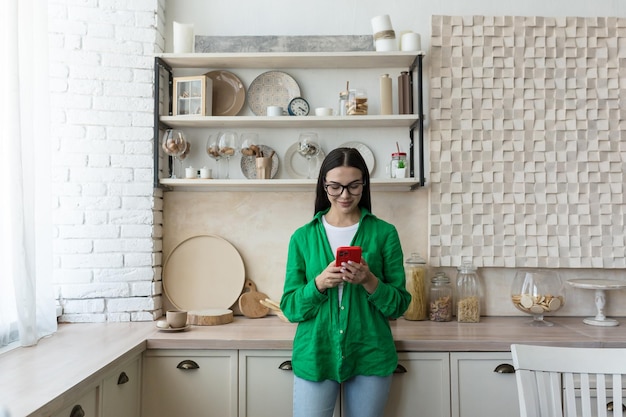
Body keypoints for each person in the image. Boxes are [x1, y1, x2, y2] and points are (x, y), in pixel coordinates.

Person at [280, 147, 412, 417]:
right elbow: (290, 308)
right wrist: (318, 284)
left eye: (353, 186)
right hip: (316, 353)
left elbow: (399, 305)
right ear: (323, 186)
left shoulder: (385, 233)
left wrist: (369, 281)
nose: (344, 195)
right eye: (335, 187)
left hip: (370, 351)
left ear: (364, 184)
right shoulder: (302, 237)